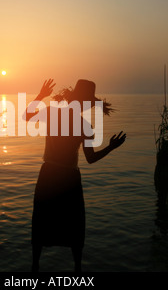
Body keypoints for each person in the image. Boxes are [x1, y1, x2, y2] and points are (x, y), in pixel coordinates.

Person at [26, 78, 126, 272]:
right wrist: (111, 148)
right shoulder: (84, 125)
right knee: (74, 224)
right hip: (69, 178)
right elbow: (91, 159)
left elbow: (27, 116)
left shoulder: (52, 113)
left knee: (42, 220)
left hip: (48, 174)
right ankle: (78, 270)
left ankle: (35, 266)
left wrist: (40, 95)